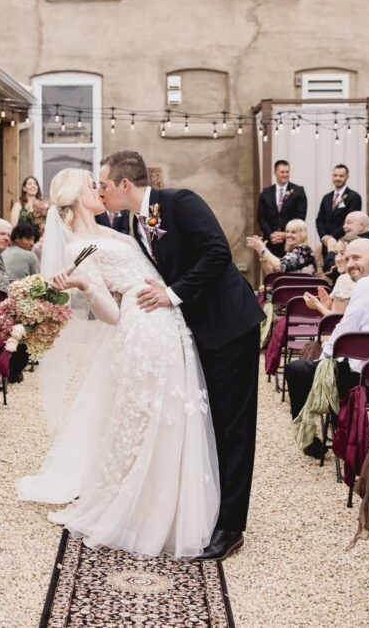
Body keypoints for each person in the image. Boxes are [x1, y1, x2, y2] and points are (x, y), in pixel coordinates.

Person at [17, 165, 223, 559]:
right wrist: (85, 285)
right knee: (145, 414)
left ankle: (174, 503)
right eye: (93, 186)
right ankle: (137, 507)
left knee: (172, 410)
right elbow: (110, 313)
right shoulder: (79, 246)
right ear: (78, 197)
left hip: (166, 318)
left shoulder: (113, 232)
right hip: (140, 325)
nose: (100, 190)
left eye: (102, 184)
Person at [98, 151, 264, 560]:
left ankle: (230, 527)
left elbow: (216, 254)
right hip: (196, 332)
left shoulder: (180, 202)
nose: (99, 192)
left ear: (124, 185)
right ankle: (208, 511)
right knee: (209, 422)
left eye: (103, 184)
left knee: (234, 427)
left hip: (229, 325)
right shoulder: (134, 225)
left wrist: (171, 296)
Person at [283, 238, 369, 455]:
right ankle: (340, 428)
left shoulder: (367, 285)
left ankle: (310, 441)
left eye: (356, 257)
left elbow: (344, 330)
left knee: (297, 370)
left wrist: (321, 363)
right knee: (332, 368)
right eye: (347, 257)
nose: (350, 262)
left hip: (365, 384)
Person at [257, 160, 308, 257]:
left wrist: (286, 234)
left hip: (291, 242)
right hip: (271, 242)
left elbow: (300, 216)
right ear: (275, 172)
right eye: (282, 172)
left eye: (287, 172)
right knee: (271, 270)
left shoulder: (298, 191)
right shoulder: (266, 192)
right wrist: (271, 234)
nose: (285, 174)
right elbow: (261, 217)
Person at [305, 236, 356, 316]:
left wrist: (317, 305)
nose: (337, 259)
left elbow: (335, 319)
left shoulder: (345, 279)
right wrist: (328, 305)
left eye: (342, 253)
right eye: (336, 253)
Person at [246, 218, 315, 275]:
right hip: (289, 289)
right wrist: (260, 252)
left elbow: (279, 266)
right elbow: (271, 273)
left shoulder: (304, 250)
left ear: (302, 234)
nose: (288, 235)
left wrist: (263, 249)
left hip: (301, 291)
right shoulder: (292, 252)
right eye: (287, 232)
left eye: (293, 232)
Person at [315, 164, 362, 245]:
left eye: (341, 176)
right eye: (335, 175)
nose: (338, 178)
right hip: (326, 244)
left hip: (344, 243)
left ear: (347, 177)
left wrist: (332, 237)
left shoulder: (354, 197)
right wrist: (324, 237)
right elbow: (319, 220)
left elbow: (351, 222)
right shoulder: (326, 197)